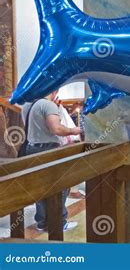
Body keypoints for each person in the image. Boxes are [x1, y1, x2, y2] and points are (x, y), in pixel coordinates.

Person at [21, 90, 82, 232]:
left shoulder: (27, 105)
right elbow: (56, 129)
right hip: (49, 150)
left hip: (31, 150)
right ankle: (59, 222)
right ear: (55, 90)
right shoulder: (48, 105)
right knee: (62, 185)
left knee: (40, 187)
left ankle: (42, 222)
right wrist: (74, 130)